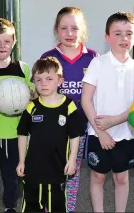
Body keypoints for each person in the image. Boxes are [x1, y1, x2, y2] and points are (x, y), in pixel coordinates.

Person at [81, 12, 134, 212]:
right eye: (117, 33)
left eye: (129, 34)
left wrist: (115, 121)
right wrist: (101, 131)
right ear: (107, 37)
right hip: (98, 132)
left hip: (125, 133)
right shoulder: (97, 63)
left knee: (121, 177)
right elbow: (85, 99)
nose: (123, 38)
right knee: (98, 176)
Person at [40, 6, 98, 211]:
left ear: (82, 30)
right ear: (56, 30)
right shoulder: (48, 57)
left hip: (79, 130)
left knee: (72, 175)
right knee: (50, 174)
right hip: (52, 129)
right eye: (64, 28)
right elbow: (41, 91)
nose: (69, 34)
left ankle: (68, 209)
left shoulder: (92, 58)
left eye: (74, 28)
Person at [0, 18, 34, 212]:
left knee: (12, 176)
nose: (2, 46)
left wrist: (29, 94)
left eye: (7, 41)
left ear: (14, 42)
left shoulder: (23, 68)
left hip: (16, 134)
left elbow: (33, 95)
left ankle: (10, 206)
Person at [16, 57, 84, 212]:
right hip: (33, 171)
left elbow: (75, 136)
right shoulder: (31, 107)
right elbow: (22, 135)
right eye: (38, 80)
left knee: (57, 207)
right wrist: (21, 161)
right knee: (31, 207)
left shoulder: (69, 106)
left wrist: (72, 160)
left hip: (57, 170)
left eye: (49, 78)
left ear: (60, 81)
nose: (43, 83)